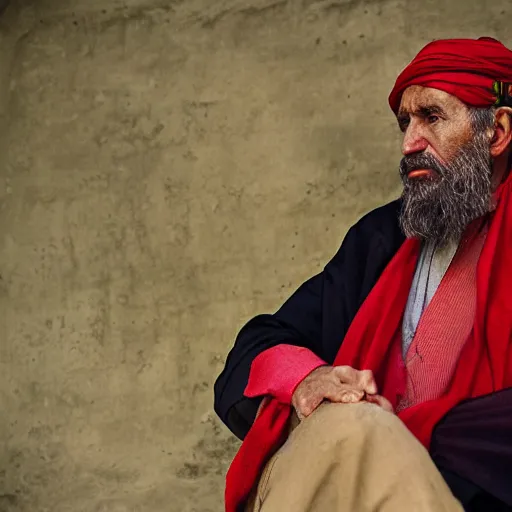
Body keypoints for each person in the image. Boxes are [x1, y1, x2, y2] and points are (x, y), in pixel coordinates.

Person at [214, 37, 512, 512]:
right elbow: (257, 345)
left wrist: (399, 433)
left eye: (431, 117)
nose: (409, 143)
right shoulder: (380, 239)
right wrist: (310, 380)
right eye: (404, 123)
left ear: (496, 132)